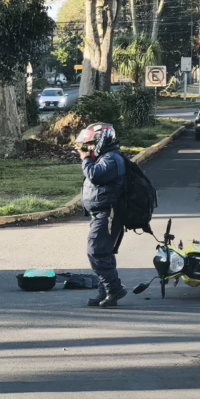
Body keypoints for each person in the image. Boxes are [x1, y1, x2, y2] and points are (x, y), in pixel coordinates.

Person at [76, 123, 128, 308]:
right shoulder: (106, 157)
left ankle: (114, 289)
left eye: (91, 144)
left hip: (109, 214)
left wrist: (85, 159)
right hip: (101, 213)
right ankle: (104, 292)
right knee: (104, 252)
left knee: (96, 251)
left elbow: (95, 175)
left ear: (101, 141)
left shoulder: (111, 159)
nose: (89, 148)